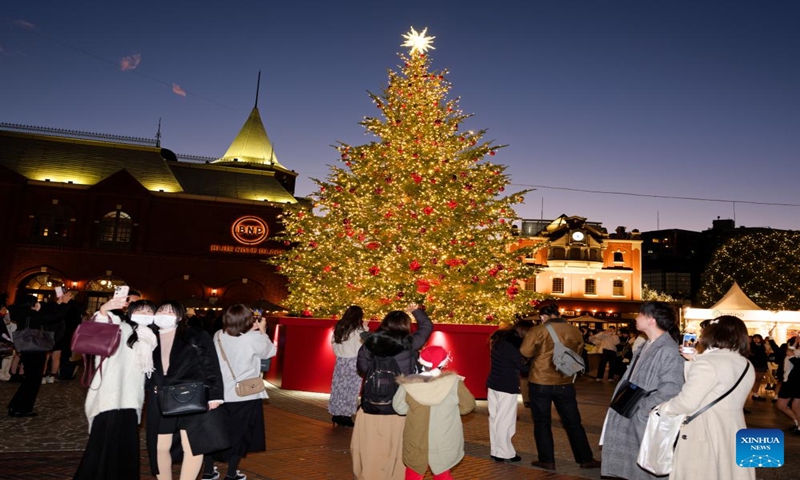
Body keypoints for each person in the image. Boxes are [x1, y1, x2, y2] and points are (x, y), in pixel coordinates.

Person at [659, 316, 756, 480]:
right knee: (729, 472)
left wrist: (662, 409)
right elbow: (718, 385)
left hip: (705, 430)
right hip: (734, 428)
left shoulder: (707, 362)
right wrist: (694, 359)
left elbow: (686, 403)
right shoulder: (746, 364)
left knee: (702, 472)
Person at [74, 297, 158, 480]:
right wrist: (104, 310)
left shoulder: (150, 336)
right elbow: (102, 328)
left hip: (132, 398)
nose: (144, 314)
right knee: (102, 442)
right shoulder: (122, 327)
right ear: (130, 312)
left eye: (148, 311)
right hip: (110, 394)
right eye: (140, 310)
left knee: (125, 443)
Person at [600, 302, 685, 480]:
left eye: (640, 314)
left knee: (645, 467)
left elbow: (672, 387)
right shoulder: (647, 344)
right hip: (629, 409)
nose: (636, 318)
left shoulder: (668, 349)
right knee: (632, 467)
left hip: (642, 416)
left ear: (651, 320)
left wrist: (644, 408)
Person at [145, 300, 227, 480]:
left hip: (191, 396)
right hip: (161, 399)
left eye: (170, 311)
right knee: (159, 447)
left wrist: (215, 396)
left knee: (192, 446)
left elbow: (211, 365)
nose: (165, 314)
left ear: (180, 317)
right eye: (161, 310)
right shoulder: (149, 338)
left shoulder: (195, 335)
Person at [351, 304, 433, 480]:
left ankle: (370, 475)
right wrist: (415, 310)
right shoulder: (410, 343)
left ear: (385, 323)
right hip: (399, 405)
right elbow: (427, 326)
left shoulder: (370, 343)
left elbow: (362, 367)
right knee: (396, 445)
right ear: (406, 326)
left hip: (372, 404)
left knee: (370, 443)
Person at [519, 304, 601, 471]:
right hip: (565, 381)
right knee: (573, 422)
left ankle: (547, 460)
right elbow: (579, 351)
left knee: (542, 422)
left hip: (540, 380)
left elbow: (525, 351)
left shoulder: (538, 329)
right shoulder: (574, 330)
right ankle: (586, 459)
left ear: (543, 316)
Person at [202, 304, 277, 480]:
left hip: (220, 393)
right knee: (241, 434)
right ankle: (231, 473)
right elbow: (270, 351)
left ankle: (208, 471)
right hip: (245, 394)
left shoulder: (218, 335)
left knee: (214, 432)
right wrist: (262, 330)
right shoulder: (254, 338)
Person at [392, 345, 475, 480]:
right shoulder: (454, 382)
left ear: (421, 361)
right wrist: (452, 410)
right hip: (444, 438)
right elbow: (468, 406)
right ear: (444, 363)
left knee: (413, 473)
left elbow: (399, 408)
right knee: (443, 473)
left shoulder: (409, 383)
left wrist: (415, 410)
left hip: (416, 437)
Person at [7, 292, 73, 417]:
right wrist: (64, 304)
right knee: (33, 381)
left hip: (26, 350)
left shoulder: (21, 314)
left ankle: (15, 406)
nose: (38, 304)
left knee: (29, 380)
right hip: (36, 351)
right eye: (36, 302)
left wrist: (58, 302)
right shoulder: (34, 316)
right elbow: (56, 316)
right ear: (32, 305)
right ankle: (22, 409)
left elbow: (48, 311)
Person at [486, 320, 533, 462]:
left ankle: (496, 450)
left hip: (493, 384)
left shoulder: (499, 341)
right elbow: (524, 367)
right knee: (505, 421)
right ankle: (505, 453)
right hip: (506, 386)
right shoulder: (512, 346)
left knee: (495, 419)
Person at [329, 305, 366, 427]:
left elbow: (334, 344)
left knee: (338, 388)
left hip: (341, 361)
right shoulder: (359, 331)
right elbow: (361, 345)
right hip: (354, 362)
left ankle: (336, 414)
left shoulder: (339, 328)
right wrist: (366, 327)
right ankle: (346, 416)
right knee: (351, 390)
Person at [775, 336, 800, 433]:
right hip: (789, 381)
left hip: (796, 382)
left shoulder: (796, 353)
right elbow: (789, 352)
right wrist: (794, 344)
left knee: (795, 406)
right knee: (781, 405)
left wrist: (792, 356)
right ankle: (797, 423)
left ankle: (799, 426)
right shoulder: (795, 351)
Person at [748, 334, 769, 401]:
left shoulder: (763, 345)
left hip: (762, 364)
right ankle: (755, 393)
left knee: (759, 380)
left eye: (757, 338)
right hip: (754, 364)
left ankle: (756, 393)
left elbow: (766, 354)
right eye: (755, 338)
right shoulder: (751, 346)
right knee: (754, 379)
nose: (756, 339)